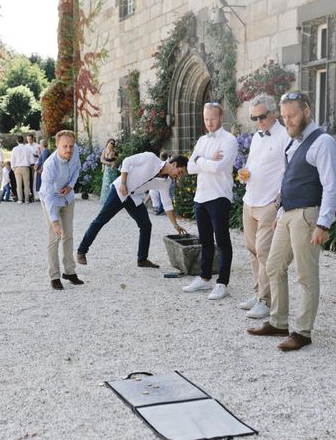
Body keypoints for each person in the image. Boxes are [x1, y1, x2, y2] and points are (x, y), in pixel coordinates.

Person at [247, 91, 336, 351]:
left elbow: (331, 186)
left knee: (306, 276)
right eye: (285, 116)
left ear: (307, 111)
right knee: (274, 266)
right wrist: (279, 213)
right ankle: (278, 322)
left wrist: (324, 224)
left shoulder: (323, 142)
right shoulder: (293, 143)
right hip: (287, 214)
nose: (288, 121)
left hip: (308, 215)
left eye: (293, 115)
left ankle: (303, 332)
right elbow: (288, 181)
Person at [77, 152, 189, 268]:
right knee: (101, 220)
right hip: (120, 191)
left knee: (146, 225)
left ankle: (142, 260)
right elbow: (126, 161)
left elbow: (167, 204)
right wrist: (123, 183)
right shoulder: (150, 158)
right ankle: (81, 251)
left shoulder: (166, 182)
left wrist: (175, 225)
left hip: (134, 198)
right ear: (174, 164)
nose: (179, 176)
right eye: (180, 172)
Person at [236, 94, 289, 319]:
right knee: (252, 252)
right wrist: (243, 174)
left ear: (273, 112)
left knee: (265, 252)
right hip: (250, 200)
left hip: (269, 202)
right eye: (254, 118)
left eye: (262, 117)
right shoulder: (257, 136)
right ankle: (258, 294)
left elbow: (289, 171)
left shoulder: (285, 136)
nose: (259, 122)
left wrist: (279, 201)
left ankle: (266, 302)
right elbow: (251, 165)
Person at [183, 102, 238, 300]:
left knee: (222, 240)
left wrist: (200, 160)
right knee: (205, 240)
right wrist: (206, 158)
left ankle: (222, 283)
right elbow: (189, 167)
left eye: (212, 119)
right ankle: (204, 278)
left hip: (219, 195)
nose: (209, 123)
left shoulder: (229, 140)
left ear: (220, 117)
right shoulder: (202, 140)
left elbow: (218, 167)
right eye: (206, 119)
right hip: (201, 196)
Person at [39, 130, 84, 290]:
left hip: (68, 198)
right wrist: (55, 221)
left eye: (71, 146)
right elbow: (49, 196)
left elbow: (77, 168)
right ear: (57, 145)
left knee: (69, 236)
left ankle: (70, 272)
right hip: (51, 200)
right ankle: (55, 276)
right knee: (54, 238)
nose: (68, 150)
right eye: (64, 146)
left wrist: (71, 186)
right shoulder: (49, 166)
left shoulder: (75, 151)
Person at [11, 135, 31, 204]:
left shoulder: (14, 149)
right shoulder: (27, 149)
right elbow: (30, 159)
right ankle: (27, 200)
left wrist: (13, 168)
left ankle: (20, 199)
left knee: (18, 185)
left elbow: (12, 160)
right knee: (26, 185)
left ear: (17, 141)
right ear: (24, 140)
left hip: (17, 168)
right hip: (25, 167)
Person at [99, 138, 118, 206]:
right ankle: (105, 200)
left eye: (113, 143)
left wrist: (113, 162)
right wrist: (106, 164)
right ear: (108, 143)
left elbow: (116, 160)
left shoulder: (114, 152)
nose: (111, 144)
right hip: (107, 169)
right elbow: (102, 160)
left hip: (112, 170)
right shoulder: (104, 150)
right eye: (110, 143)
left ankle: (113, 201)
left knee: (113, 184)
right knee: (106, 184)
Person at [25, 133, 39, 201]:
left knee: (33, 180)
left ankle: (34, 194)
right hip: (27, 165)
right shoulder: (25, 146)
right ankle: (29, 194)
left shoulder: (37, 146)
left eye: (30, 139)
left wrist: (35, 155)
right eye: (27, 139)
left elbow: (40, 156)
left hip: (34, 165)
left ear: (33, 139)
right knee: (28, 180)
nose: (29, 140)